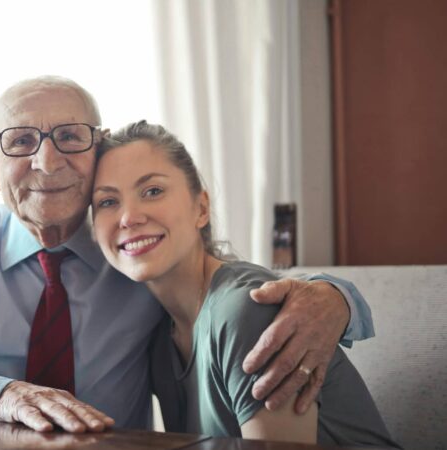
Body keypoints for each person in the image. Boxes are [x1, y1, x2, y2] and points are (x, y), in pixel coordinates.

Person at [0, 76, 374, 433]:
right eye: (19, 142)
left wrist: (336, 297)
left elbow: (230, 289)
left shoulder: (134, 251)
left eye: (69, 136)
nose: (47, 160)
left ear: (95, 153)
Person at [91, 120, 399, 447]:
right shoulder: (159, 337)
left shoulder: (247, 310)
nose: (128, 217)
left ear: (202, 208)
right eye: (108, 202)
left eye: (153, 191)